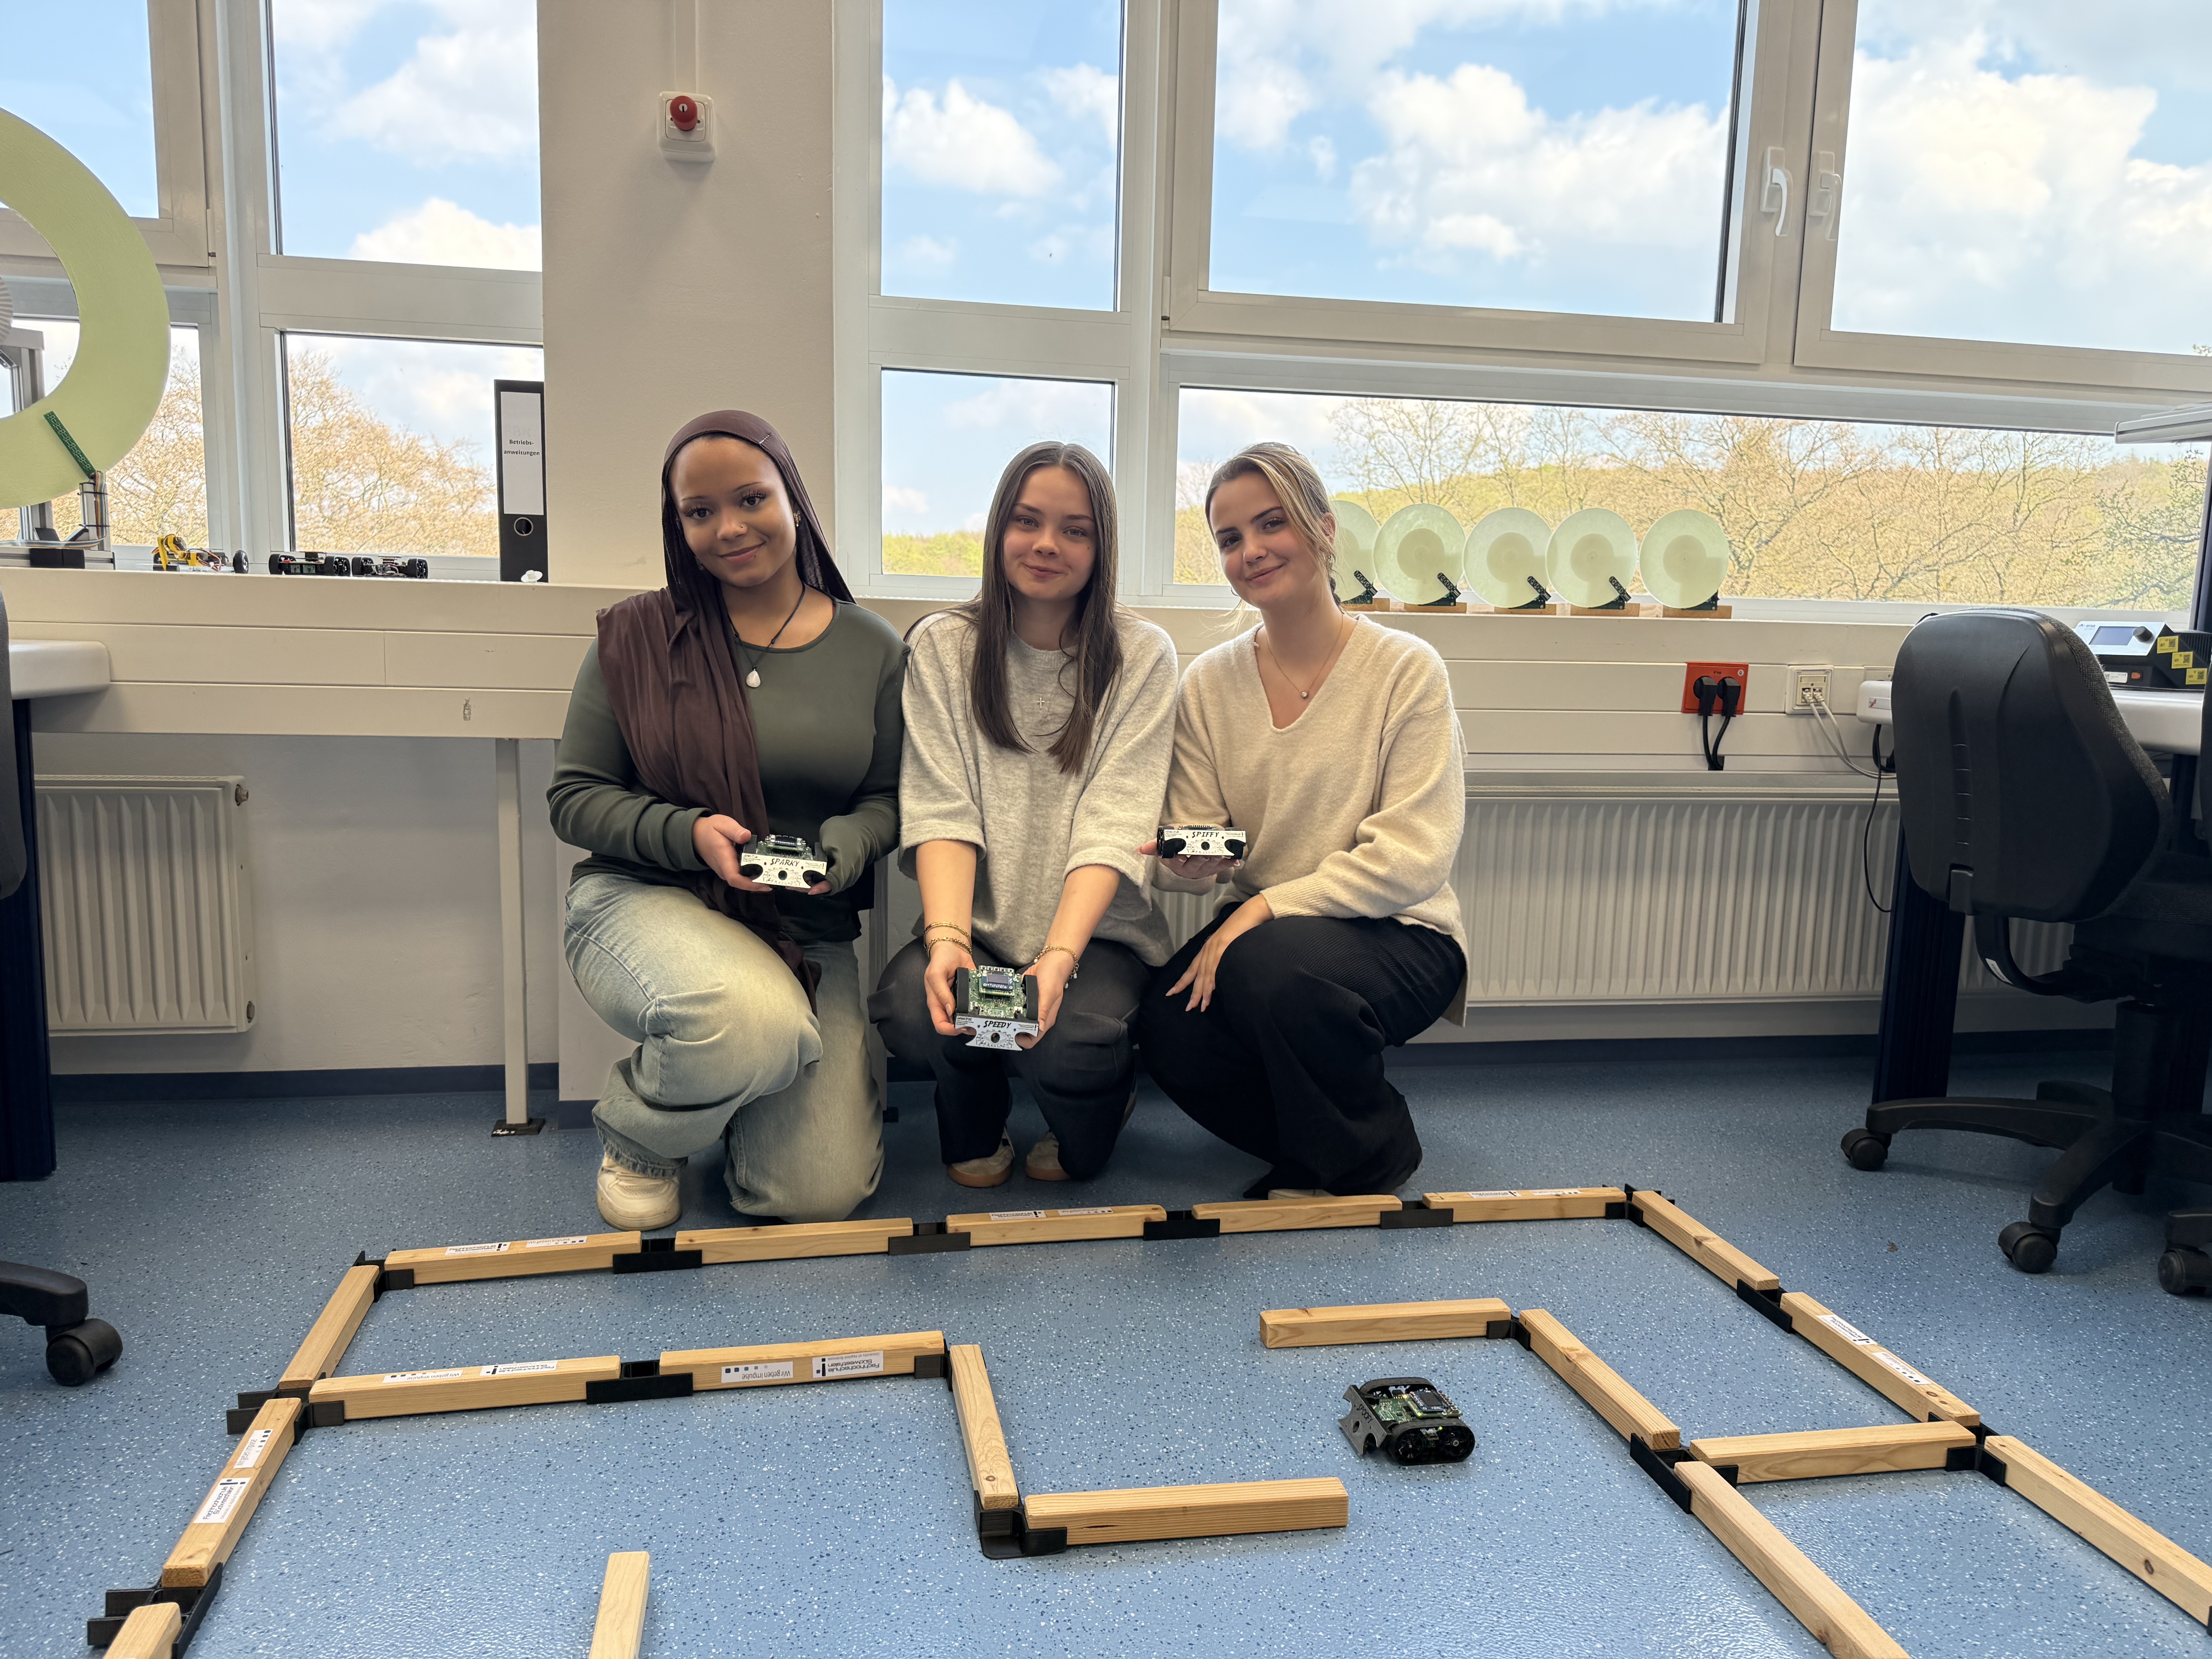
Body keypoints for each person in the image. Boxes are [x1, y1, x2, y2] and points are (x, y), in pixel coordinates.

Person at [549, 410, 905, 1229]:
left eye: (751, 499)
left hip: (803, 922)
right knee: (755, 1024)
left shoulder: (871, 647)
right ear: (677, 525)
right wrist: (691, 832)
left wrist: (842, 849)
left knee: (815, 1196)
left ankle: (758, 1073)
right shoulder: (637, 637)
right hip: (648, 899)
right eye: (699, 511)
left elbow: (888, 801)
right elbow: (575, 799)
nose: (729, 528)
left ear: (794, 500)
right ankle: (643, 1135)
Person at [1138, 441, 1467, 1198]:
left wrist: (1261, 906)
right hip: (1268, 941)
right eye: (1229, 538)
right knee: (1166, 1025)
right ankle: (1363, 1132)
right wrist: (1188, 857)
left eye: (1271, 524)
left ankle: (1353, 1163)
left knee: (1271, 966)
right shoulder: (1208, 682)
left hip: (1402, 931)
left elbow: (1414, 858)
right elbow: (1214, 837)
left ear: (1323, 530)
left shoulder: (1407, 669)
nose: (1251, 551)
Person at [871, 441, 1177, 1187]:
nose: (1047, 544)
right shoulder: (942, 646)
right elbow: (941, 808)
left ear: (1101, 547)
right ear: (997, 529)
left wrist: (1057, 960)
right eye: (1028, 521)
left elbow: (1113, 824)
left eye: (1075, 529)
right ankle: (975, 1117)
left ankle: (1100, 1109)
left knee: (1069, 1044)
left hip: (1095, 939)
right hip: (975, 926)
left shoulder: (1143, 656)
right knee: (911, 1011)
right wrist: (947, 939)